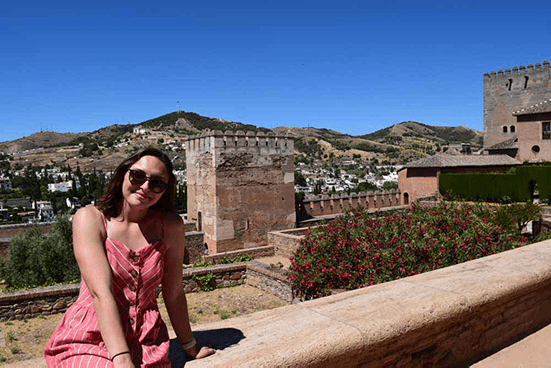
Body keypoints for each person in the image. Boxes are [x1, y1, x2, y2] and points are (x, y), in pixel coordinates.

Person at [44, 148, 215, 367]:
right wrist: (122, 359)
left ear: (164, 190)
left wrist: (189, 346)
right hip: (91, 335)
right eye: (138, 176)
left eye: (156, 183)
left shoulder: (170, 227)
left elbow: (174, 293)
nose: (145, 187)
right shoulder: (91, 219)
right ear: (123, 173)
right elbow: (101, 293)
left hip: (147, 339)